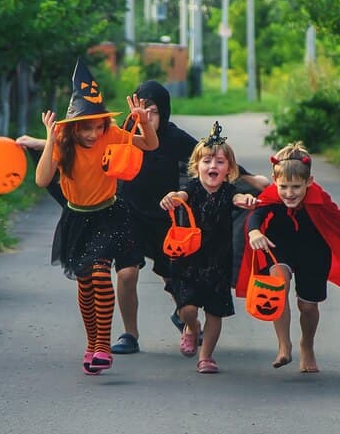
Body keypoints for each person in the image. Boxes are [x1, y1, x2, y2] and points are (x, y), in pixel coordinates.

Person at [21, 80, 269, 355]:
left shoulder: (173, 138)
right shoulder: (120, 131)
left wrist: (249, 178)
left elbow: (210, 156)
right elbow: (82, 144)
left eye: (152, 111)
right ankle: (130, 333)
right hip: (128, 215)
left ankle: (186, 319)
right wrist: (40, 141)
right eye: (141, 110)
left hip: (166, 219)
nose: (146, 116)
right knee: (126, 274)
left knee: (175, 277)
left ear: (164, 112)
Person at [34, 59, 158, 375]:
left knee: (102, 273)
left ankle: (103, 345)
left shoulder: (112, 133)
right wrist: (50, 138)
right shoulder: (63, 143)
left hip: (108, 214)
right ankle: (91, 344)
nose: (92, 133)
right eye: (86, 128)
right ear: (73, 126)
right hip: (77, 219)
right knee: (85, 283)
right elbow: (42, 179)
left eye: (97, 126)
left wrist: (143, 122)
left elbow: (150, 144)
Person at [237, 142, 340, 373]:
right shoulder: (272, 196)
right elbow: (256, 215)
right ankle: (284, 345)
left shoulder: (321, 200)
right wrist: (255, 231)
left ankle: (306, 345)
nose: (289, 193)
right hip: (279, 247)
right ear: (275, 180)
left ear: (309, 182)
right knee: (277, 287)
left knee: (308, 306)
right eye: (284, 186)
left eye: (296, 187)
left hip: (314, 252)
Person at [158, 122, 257, 373]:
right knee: (188, 308)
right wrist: (172, 197)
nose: (213, 166)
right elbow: (181, 196)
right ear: (197, 166)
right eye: (207, 162)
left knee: (215, 312)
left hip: (218, 262)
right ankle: (191, 327)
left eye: (220, 162)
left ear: (229, 170)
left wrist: (245, 199)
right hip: (188, 260)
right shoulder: (191, 188)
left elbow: (237, 198)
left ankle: (206, 356)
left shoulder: (229, 191)